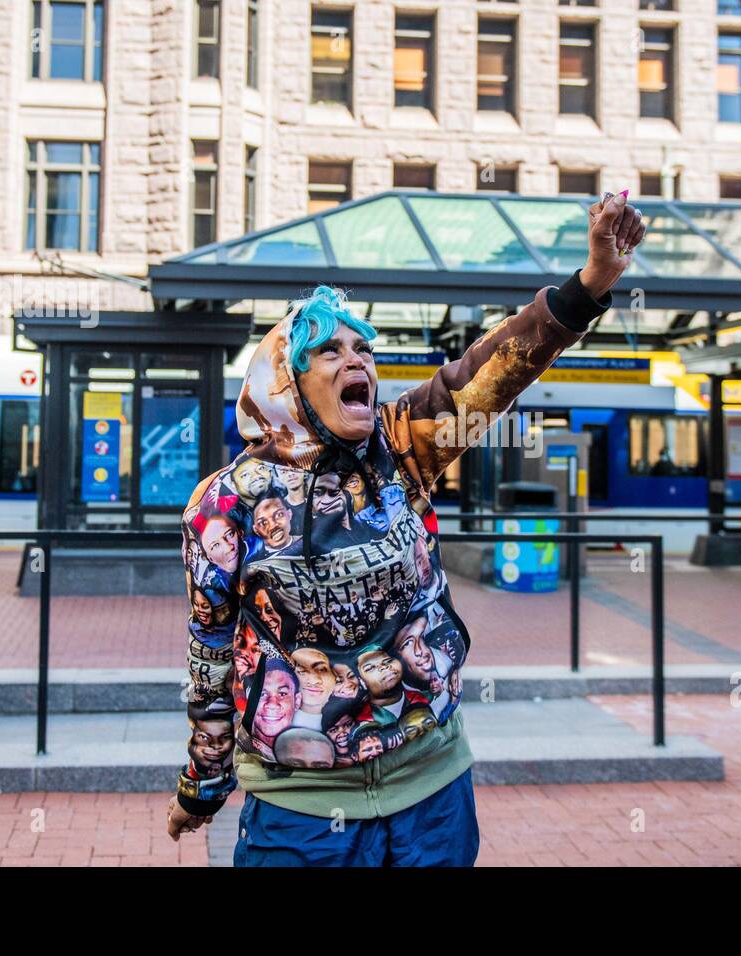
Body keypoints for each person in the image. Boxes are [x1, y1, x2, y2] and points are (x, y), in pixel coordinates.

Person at [167, 190, 646, 866]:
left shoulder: (404, 449)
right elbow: (210, 654)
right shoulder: (225, 505)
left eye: (364, 347)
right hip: (300, 808)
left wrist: (592, 281)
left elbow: (493, 372)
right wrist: (204, 783)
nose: (357, 359)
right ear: (286, 381)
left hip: (432, 788)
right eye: (329, 351)